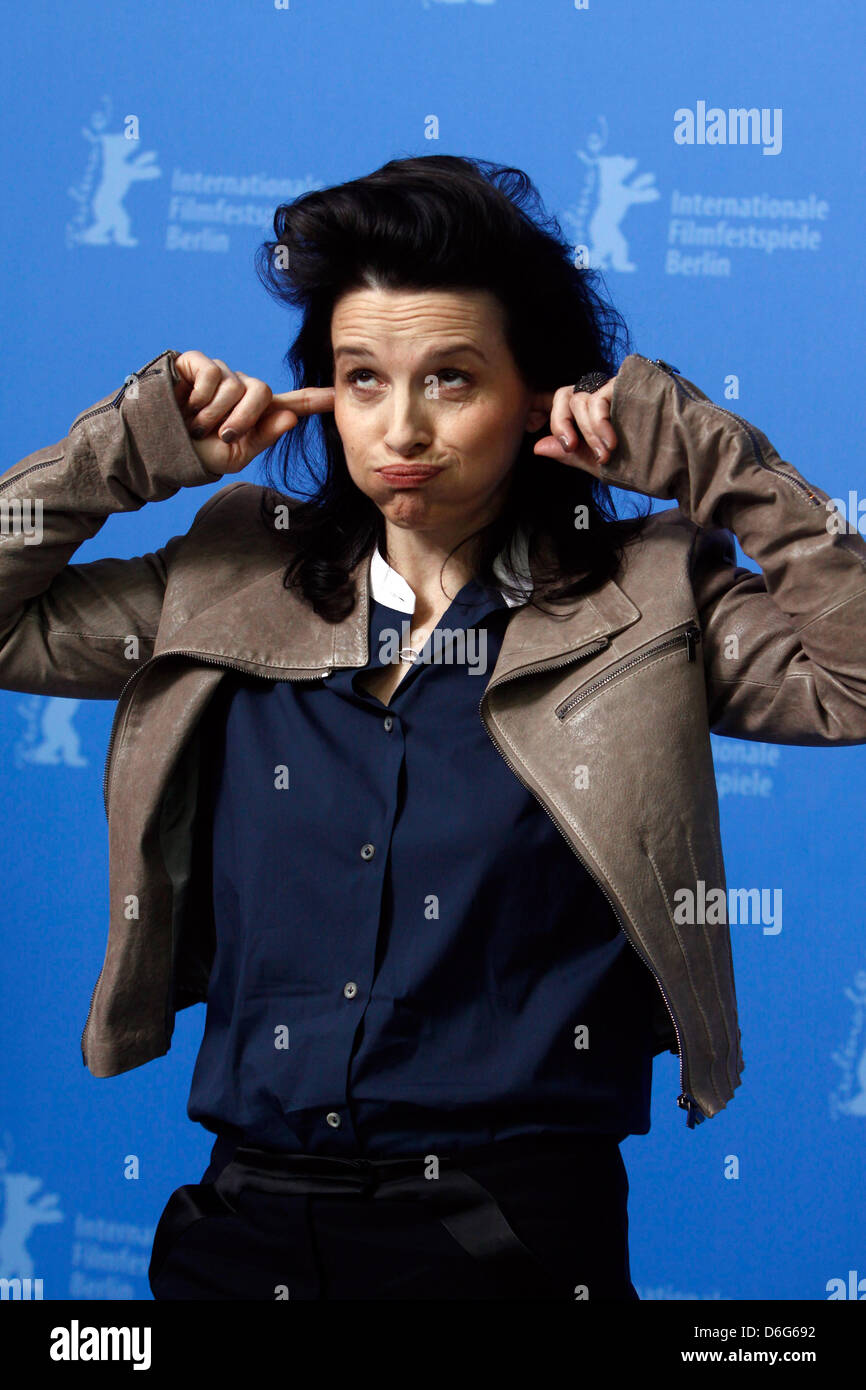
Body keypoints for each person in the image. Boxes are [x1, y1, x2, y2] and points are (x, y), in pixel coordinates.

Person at [3, 154, 865, 1302]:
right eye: (362, 378)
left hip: (503, 1234)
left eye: (451, 380)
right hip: (245, 1227)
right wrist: (127, 449)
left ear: (541, 396)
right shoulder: (224, 578)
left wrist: (709, 455)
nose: (399, 426)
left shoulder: (646, 599)